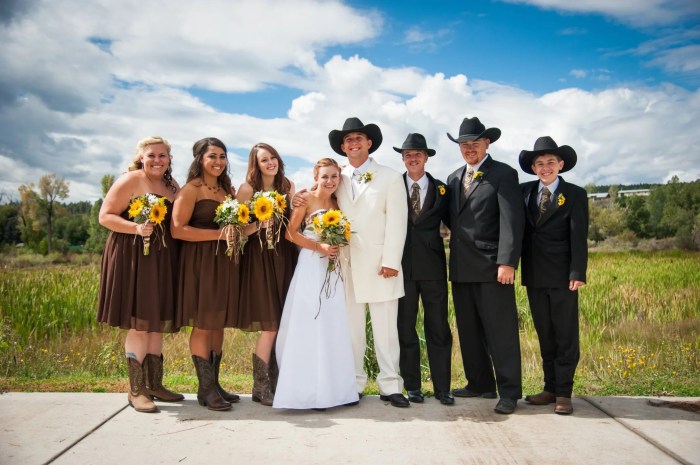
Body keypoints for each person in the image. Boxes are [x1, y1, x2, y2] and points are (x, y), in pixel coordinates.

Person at [97, 136, 184, 413]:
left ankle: (155, 384)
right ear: (141, 158)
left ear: (169, 158)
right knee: (140, 322)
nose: (157, 160)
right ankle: (136, 391)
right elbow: (105, 216)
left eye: (162, 155)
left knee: (155, 321)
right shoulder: (130, 180)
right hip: (133, 255)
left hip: (163, 257)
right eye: (151, 155)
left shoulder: (172, 185)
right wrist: (135, 228)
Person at [446, 117, 525, 414]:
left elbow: (512, 221)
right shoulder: (454, 178)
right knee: (469, 330)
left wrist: (507, 262)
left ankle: (508, 392)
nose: (469, 149)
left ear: (487, 143)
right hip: (461, 267)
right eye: (464, 144)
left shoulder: (503, 174)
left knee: (500, 332)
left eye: (474, 144)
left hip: (494, 268)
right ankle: (479, 383)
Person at [329, 117, 409, 408]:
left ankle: (390, 385)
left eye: (358, 138)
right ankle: (354, 383)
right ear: (342, 146)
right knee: (351, 329)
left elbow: (398, 223)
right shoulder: (336, 177)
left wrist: (391, 261)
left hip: (380, 265)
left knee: (386, 329)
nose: (353, 143)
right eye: (348, 140)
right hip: (346, 265)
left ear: (369, 143)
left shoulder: (389, 176)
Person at [273, 158, 359, 410]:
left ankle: (336, 390)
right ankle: (307, 390)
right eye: (325, 177)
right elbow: (290, 232)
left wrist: (336, 244)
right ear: (315, 177)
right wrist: (318, 246)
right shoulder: (306, 199)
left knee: (332, 322)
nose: (330, 181)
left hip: (332, 268)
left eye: (334, 176)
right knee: (309, 320)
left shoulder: (337, 202)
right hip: (311, 264)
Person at [518, 136, 588, 415]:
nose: (545, 167)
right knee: (545, 333)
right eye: (539, 163)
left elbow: (578, 236)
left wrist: (577, 271)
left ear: (560, 164)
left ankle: (564, 393)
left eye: (550, 162)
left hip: (562, 276)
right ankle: (549, 388)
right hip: (534, 274)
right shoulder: (523, 192)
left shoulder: (575, 194)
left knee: (565, 334)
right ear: (533, 168)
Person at [171, 137, 241, 411]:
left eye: (223, 156)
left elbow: (236, 226)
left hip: (224, 263)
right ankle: (205, 389)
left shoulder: (226, 192)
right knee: (203, 323)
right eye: (213, 156)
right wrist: (218, 235)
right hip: (199, 262)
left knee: (217, 323)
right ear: (200, 158)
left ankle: (215, 384)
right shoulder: (191, 190)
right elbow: (177, 229)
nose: (219, 162)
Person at [394, 133, 454, 406]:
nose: (413, 158)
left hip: (433, 268)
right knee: (405, 328)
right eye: (408, 154)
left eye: (418, 154)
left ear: (426, 157)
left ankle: (443, 388)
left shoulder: (442, 189)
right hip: (401, 268)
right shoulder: (393, 186)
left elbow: (457, 224)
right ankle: (413, 387)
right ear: (403, 159)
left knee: (438, 327)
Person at [237, 142, 297, 406]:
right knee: (270, 324)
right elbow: (235, 231)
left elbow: (295, 223)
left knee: (284, 323)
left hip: (286, 257)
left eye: (273, 157)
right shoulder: (247, 189)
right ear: (256, 164)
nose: (270, 162)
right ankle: (260, 386)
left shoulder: (288, 186)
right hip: (259, 259)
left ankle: (280, 382)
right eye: (264, 160)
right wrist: (258, 225)